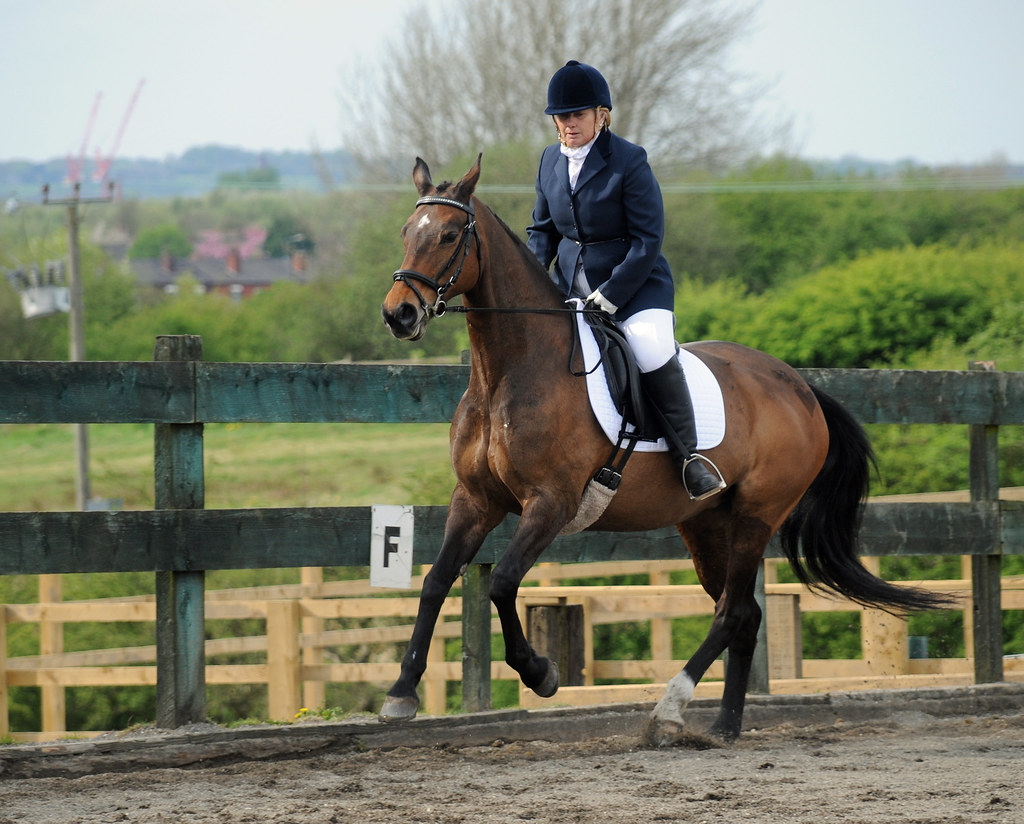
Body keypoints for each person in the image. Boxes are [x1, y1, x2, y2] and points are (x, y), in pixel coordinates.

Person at [527, 59, 725, 501]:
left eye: (577, 114)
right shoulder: (549, 161)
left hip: (635, 287)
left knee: (651, 347)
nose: (568, 124)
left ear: (602, 115)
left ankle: (689, 457)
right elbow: (542, 232)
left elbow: (648, 238)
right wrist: (527, 284)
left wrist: (612, 295)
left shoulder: (629, 161)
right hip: (569, 288)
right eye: (561, 116)